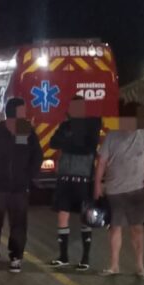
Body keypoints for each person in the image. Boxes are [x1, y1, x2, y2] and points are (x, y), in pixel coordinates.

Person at [0, 97, 43, 273]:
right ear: (14, 112)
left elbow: (36, 156)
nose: (26, 113)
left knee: (19, 224)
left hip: (19, 190)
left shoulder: (25, 132)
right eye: (23, 110)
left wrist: (28, 176)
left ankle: (16, 257)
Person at [94, 102, 144, 280]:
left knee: (137, 229)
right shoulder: (112, 137)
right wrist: (97, 184)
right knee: (115, 228)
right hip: (115, 190)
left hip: (138, 191)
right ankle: (114, 265)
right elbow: (102, 162)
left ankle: (140, 267)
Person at [48, 96, 103, 271]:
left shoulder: (93, 123)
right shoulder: (65, 125)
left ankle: (85, 258)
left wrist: (69, 140)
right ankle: (63, 256)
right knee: (62, 216)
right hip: (65, 178)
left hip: (84, 179)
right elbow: (53, 142)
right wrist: (72, 139)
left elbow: (88, 147)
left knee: (85, 218)